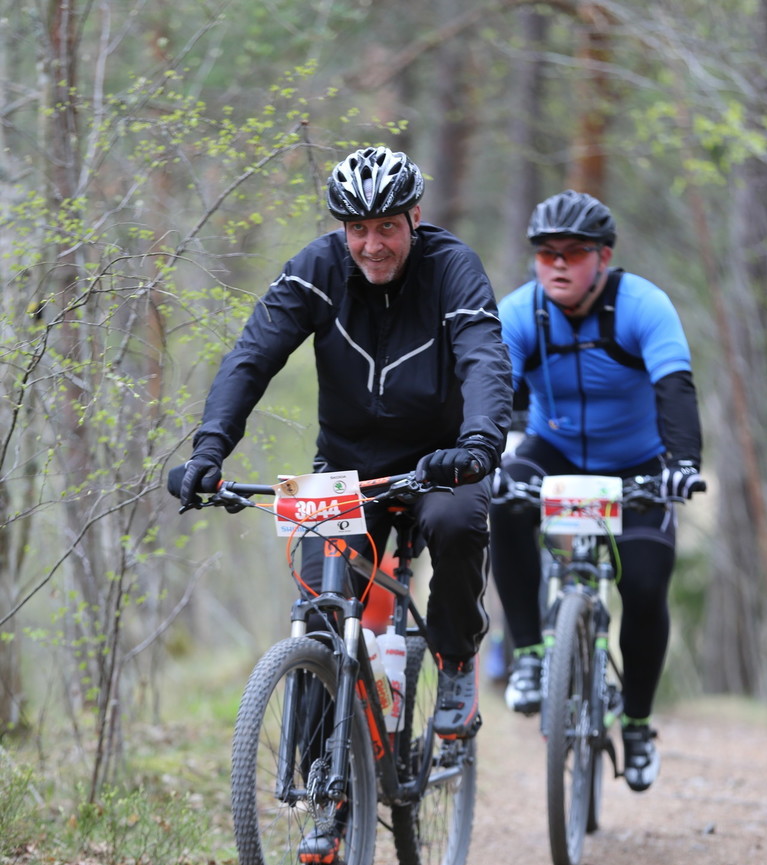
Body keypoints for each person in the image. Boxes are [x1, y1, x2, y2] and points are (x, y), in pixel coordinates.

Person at [179, 144, 513, 741]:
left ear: (415, 217)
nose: (372, 245)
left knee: (460, 524)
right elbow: (252, 358)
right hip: (346, 468)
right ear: (342, 229)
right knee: (320, 614)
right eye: (357, 229)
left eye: (387, 226)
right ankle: (321, 800)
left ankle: (457, 662)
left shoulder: (452, 267)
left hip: (442, 463)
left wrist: (479, 445)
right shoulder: (318, 269)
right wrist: (209, 450)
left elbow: (483, 358)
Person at [489, 189, 704, 791]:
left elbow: (676, 388)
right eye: (545, 253)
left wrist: (682, 463)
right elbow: (492, 389)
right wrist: (480, 452)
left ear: (603, 258)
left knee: (642, 584)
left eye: (574, 252)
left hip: (637, 461)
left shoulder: (643, 306)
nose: (557, 264)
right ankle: (530, 658)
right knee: (502, 502)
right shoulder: (519, 313)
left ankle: (636, 722)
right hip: (553, 450)